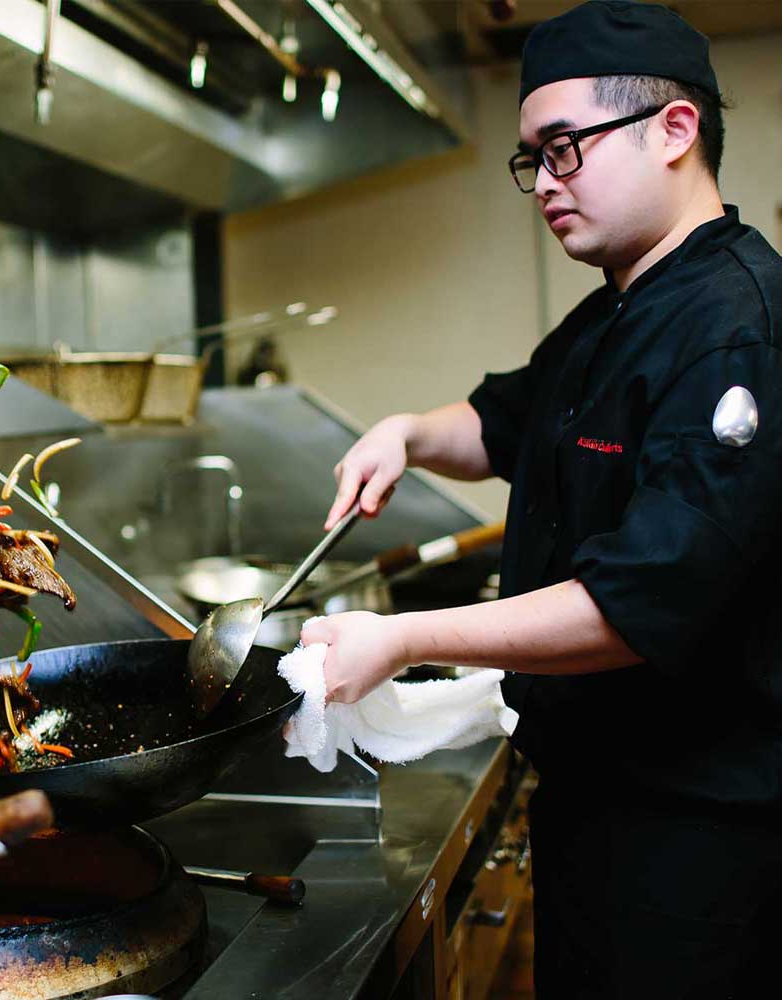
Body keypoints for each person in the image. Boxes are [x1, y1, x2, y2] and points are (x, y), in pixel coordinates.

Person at [302, 2, 782, 996]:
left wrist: (402, 639)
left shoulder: (735, 329)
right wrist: (403, 433)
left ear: (674, 129)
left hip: (698, 838)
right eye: (532, 159)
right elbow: (504, 423)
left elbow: (633, 602)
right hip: (594, 805)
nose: (544, 184)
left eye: (564, 148)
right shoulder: (619, 304)